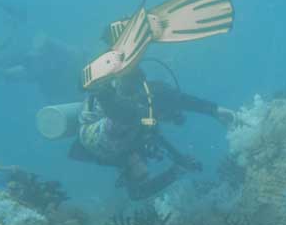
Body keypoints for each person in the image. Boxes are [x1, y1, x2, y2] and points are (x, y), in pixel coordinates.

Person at [70, 65, 236, 200]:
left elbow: (137, 193)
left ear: (128, 172)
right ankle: (109, 90)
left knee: (138, 113)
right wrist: (177, 168)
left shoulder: (115, 151)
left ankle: (106, 89)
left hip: (94, 129)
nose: (146, 171)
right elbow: (158, 138)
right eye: (147, 175)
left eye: (141, 176)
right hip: (115, 114)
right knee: (144, 110)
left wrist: (212, 110)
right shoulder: (136, 144)